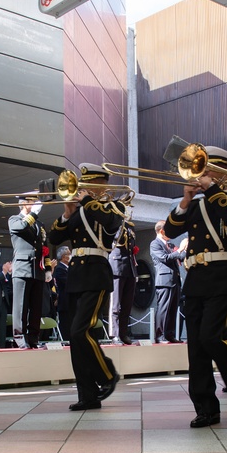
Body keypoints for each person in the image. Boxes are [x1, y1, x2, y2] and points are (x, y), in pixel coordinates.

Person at [162, 147, 227, 427]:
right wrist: (185, 198)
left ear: (222, 175)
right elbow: (170, 230)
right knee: (197, 349)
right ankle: (206, 408)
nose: (201, 175)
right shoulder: (196, 203)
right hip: (196, 280)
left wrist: (212, 188)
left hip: (225, 276)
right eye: (201, 169)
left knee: (213, 337)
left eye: (207, 170)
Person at [48, 163, 123, 410]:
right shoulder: (80, 210)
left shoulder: (114, 205)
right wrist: (67, 213)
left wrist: (87, 201)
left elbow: (109, 223)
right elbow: (55, 239)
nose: (83, 187)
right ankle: (87, 395)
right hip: (77, 274)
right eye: (83, 183)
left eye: (90, 183)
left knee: (82, 331)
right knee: (76, 338)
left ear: (102, 185)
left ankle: (107, 374)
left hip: (96, 272)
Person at [9, 194, 47, 349]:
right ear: (24, 204)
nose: (35, 204)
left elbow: (44, 248)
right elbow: (21, 227)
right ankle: (19, 337)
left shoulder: (39, 223)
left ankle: (33, 338)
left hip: (37, 269)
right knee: (20, 306)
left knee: (36, 307)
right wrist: (33, 214)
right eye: (32, 201)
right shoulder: (14, 219)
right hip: (22, 268)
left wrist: (48, 268)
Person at [150, 221, 187, 343]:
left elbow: (180, 257)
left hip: (175, 279)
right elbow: (165, 258)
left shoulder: (170, 245)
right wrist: (179, 250)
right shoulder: (155, 244)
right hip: (164, 280)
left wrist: (186, 247)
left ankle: (170, 334)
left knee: (173, 309)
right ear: (161, 231)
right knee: (163, 308)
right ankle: (159, 335)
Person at [109, 216, 138, 345]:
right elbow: (116, 239)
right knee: (115, 305)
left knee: (127, 305)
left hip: (130, 267)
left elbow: (132, 247)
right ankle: (114, 334)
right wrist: (119, 221)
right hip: (117, 265)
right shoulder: (113, 223)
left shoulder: (130, 226)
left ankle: (123, 333)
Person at [54, 246, 72, 340]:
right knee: (65, 325)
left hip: (72, 302)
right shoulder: (59, 269)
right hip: (65, 302)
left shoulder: (70, 268)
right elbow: (68, 283)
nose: (70, 255)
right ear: (64, 257)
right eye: (69, 254)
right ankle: (65, 341)